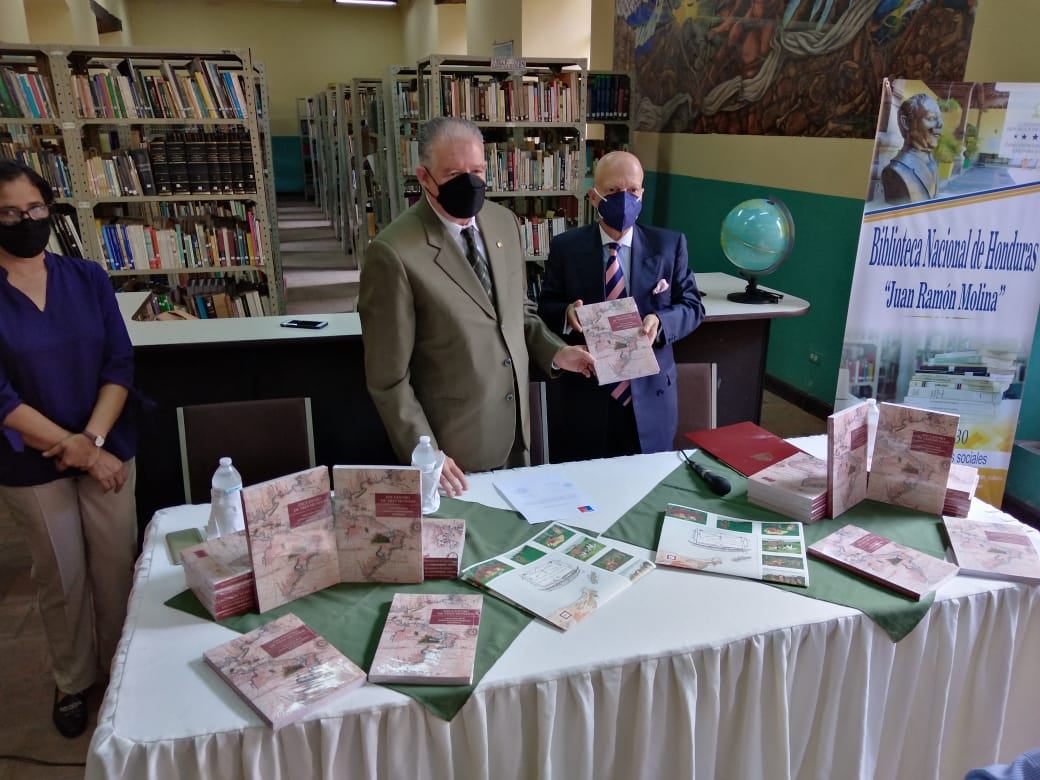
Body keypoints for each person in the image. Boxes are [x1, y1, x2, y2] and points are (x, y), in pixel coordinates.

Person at [357, 117, 595, 496]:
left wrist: (557, 352)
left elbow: (520, 315)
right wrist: (426, 452)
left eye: (478, 170)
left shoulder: (503, 223)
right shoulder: (393, 253)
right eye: (453, 173)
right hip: (452, 455)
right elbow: (388, 379)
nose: (469, 182)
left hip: (517, 438)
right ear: (424, 177)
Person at [0, 160, 138, 739]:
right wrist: (73, 448)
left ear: (50, 208)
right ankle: (73, 679)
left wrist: (94, 440)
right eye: (7, 213)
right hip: (28, 461)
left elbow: (119, 361)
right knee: (61, 575)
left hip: (105, 443)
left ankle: (124, 674)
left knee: (116, 567)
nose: (25, 221)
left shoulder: (87, 277)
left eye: (34, 209)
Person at [537, 150, 704, 461]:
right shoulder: (566, 248)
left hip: (650, 395)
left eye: (632, 190)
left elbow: (693, 306)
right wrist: (566, 314)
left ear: (642, 193)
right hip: (586, 394)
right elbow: (546, 304)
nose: (624, 199)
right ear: (594, 196)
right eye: (613, 191)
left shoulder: (669, 245)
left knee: (645, 487)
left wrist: (661, 321)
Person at [882, 92, 944, 205]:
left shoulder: (932, 163)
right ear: (906, 123)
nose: (940, 124)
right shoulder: (896, 171)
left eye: (940, 118)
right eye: (931, 118)